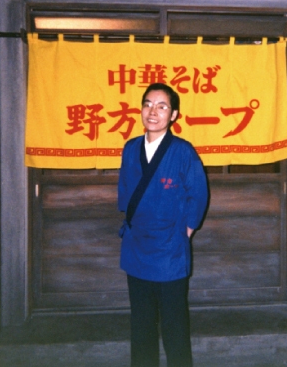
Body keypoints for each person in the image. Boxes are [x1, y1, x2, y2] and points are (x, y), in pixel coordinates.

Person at [118, 83, 208, 367]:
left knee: (174, 325)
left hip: (169, 250)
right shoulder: (130, 148)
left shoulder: (183, 151)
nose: (153, 112)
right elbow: (125, 192)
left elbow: (198, 195)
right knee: (141, 323)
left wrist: (185, 232)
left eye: (162, 106)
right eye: (147, 104)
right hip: (137, 248)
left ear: (174, 115)